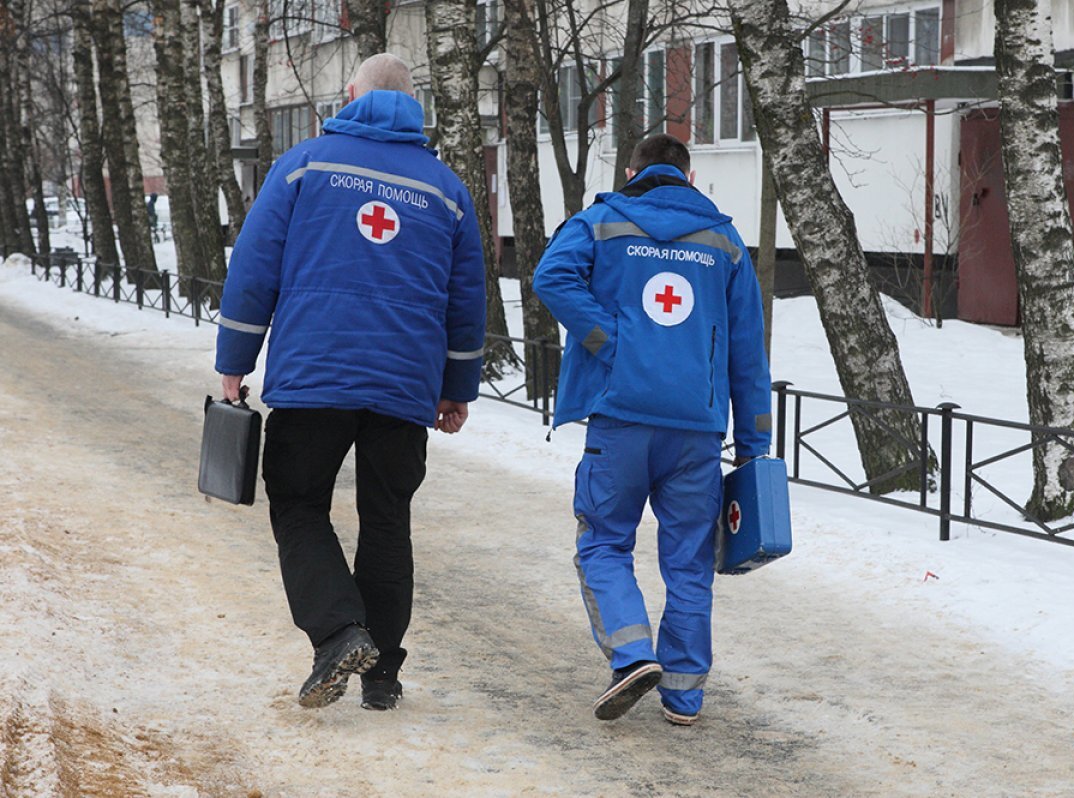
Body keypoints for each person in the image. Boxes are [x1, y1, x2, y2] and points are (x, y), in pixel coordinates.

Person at [214, 54, 486, 711]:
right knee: (387, 520)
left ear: (350, 94)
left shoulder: (304, 165)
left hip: (315, 378)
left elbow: (254, 268)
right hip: (404, 386)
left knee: (300, 503)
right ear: (413, 104)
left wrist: (235, 360)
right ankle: (383, 675)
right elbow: (466, 299)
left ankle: (338, 633)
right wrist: (458, 386)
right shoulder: (446, 189)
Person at [533, 133, 772, 726]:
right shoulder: (726, 242)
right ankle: (685, 694)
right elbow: (748, 352)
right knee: (690, 559)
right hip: (696, 430)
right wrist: (755, 445)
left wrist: (607, 341)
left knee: (604, 542)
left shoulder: (600, 222)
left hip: (621, 420)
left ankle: (632, 653)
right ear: (689, 178)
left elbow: (551, 278)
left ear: (632, 170)